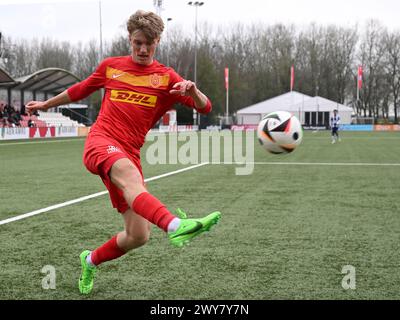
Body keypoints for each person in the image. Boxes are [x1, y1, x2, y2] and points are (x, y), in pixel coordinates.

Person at [25, 10, 221, 295]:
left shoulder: (166, 78)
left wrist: (192, 91)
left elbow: (206, 107)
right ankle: (175, 224)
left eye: (149, 43)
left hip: (128, 152)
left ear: (157, 42)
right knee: (130, 177)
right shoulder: (111, 67)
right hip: (101, 141)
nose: (143, 49)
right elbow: (79, 90)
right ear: (130, 39)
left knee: (138, 236)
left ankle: (89, 260)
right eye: (138, 42)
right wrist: (45, 106)